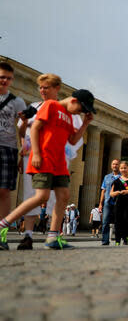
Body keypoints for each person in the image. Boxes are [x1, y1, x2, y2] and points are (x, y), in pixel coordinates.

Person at [0, 89, 94, 250]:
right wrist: (35, 153)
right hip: (44, 158)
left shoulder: (70, 117)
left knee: (64, 195)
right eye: (81, 109)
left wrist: (85, 123)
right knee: (41, 196)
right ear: (73, 101)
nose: (81, 113)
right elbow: (35, 128)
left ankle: (52, 237)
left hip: (59, 162)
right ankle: (2, 225)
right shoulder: (51, 105)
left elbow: (72, 140)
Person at [17, 73, 68, 249]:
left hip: (55, 158)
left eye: (46, 87)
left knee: (54, 197)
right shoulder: (33, 107)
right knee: (32, 195)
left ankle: (54, 235)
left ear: (56, 88)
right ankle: (28, 235)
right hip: (32, 156)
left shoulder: (62, 109)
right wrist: (23, 124)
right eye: (41, 87)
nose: (42, 90)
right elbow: (23, 133)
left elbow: (69, 137)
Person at [0, 62, 28, 223]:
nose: (4, 81)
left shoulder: (18, 102)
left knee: (4, 191)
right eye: (2, 77)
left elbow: (22, 131)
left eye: (8, 78)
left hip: (8, 148)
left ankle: (1, 233)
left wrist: (23, 153)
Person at [99, 159, 121, 245]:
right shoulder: (106, 177)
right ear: (111, 166)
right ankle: (105, 240)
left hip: (119, 203)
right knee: (105, 222)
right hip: (107, 202)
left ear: (119, 166)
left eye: (116, 164)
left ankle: (118, 240)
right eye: (113, 164)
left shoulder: (122, 177)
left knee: (119, 222)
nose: (115, 166)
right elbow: (103, 191)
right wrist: (101, 203)